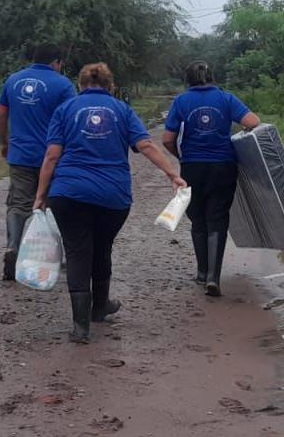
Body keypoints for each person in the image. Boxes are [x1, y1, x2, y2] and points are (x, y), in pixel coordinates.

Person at [34, 63, 186, 344]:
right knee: (102, 248)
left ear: (80, 85)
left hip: (68, 193)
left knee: (77, 253)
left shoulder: (65, 110)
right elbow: (146, 145)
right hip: (112, 196)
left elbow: (52, 156)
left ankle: (81, 328)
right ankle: (99, 307)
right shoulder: (122, 110)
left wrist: (41, 195)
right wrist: (172, 174)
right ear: (111, 85)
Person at [162, 61, 260, 296]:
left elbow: (167, 139)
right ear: (212, 77)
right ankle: (213, 278)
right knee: (217, 217)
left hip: (192, 167)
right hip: (223, 166)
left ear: (187, 79)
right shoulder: (226, 99)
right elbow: (253, 122)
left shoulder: (181, 101)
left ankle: (202, 272)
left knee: (197, 219)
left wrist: (182, 156)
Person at [0, 44, 76, 281]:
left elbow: (1, 115)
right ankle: (52, 255)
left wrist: (5, 142)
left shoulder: (13, 80)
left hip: (20, 154)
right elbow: (71, 119)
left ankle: (12, 246)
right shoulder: (63, 85)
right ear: (56, 62)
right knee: (54, 205)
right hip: (52, 157)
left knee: (17, 204)